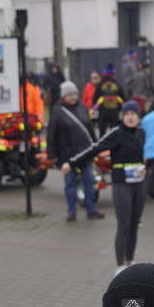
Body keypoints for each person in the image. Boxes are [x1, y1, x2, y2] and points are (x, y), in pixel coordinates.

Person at [72, 102, 147, 276]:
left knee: (135, 224)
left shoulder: (142, 133)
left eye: (133, 113)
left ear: (138, 116)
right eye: (127, 113)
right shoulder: (116, 133)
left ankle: (130, 261)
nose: (130, 116)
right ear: (123, 116)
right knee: (124, 225)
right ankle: (120, 265)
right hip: (122, 184)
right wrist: (72, 162)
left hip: (139, 183)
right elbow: (95, 149)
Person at [48, 81, 105, 222]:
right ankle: (71, 212)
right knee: (70, 184)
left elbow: (89, 128)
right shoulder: (57, 110)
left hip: (85, 152)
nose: (73, 97)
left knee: (90, 181)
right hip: (67, 156)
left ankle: (91, 210)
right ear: (64, 96)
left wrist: (95, 146)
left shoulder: (82, 107)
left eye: (75, 94)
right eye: (70, 95)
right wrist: (53, 155)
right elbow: (51, 134)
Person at [94, 65, 127, 136]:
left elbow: (95, 98)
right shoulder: (117, 84)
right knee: (114, 131)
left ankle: (102, 145)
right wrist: (119, 109)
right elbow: (123, 97)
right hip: (114, 112)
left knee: (102, 132)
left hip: (103, 111)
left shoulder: (100, 84)